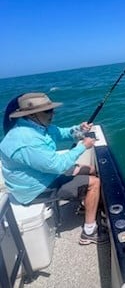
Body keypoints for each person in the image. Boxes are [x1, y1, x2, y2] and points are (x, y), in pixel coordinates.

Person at [0, 92, 106, 245]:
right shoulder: (25, 141)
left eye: (52, 109)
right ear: (32, 114)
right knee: (94, 182)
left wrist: (79, 129)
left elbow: (62, 133)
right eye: (48, 111)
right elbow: (58, 165)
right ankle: (89, 232)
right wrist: (83, 146)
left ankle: (85, 205)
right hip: (35, 190)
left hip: (44, 175)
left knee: (89, 169)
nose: (52, 113)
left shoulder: (37, 126)